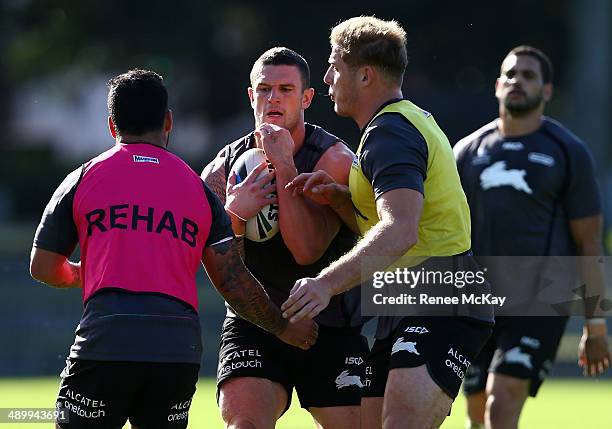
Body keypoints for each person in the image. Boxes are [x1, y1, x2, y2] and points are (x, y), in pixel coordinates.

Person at [29, 69, 317, 429]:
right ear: (168, 121)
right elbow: (233, 281)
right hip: (175, 351)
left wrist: (85, 273)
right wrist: (281, 326)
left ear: (111, 127)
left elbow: (42, 266)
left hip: (106, 343)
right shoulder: (196, 188)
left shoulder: (84, 176)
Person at [282, 17, 494, 429]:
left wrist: (324, 284)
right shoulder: (399, 122)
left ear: (364, 75)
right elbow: (394, 218)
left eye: (334, 67)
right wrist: (343, 199)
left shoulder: (390, 133)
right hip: (406, 300)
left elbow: (400, 230)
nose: (326, 78)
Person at [200, 47, 369, 429]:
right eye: (263, 89)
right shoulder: (221, 170)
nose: (273, 98)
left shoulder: (334, 159)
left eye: (285, 89)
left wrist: (285, 166)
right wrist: (235, 216)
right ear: (251, 96)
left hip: (329, 323)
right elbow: (221, 266)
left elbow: (306, 251)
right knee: (244, 422)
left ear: (307, 97)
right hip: (256, 321)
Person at [454, 46, 610, 429]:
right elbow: (449, 235)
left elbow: (589, 243)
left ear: (547, 91)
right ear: (496, 86)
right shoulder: (467, 152)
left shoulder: (568, 152)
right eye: (510, 75)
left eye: (528, 76)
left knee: (502, 400)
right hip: (477, 304)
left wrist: (596, 325)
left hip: (541, 302)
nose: (517, 82)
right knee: (476, 413)